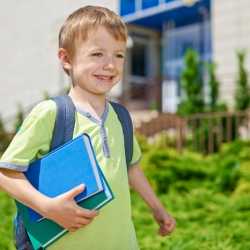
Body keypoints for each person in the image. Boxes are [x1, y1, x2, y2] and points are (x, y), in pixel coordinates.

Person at [0, 5, 175, 250]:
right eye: (97, 54)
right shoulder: (51, 113)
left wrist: (158, 208)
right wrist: (48, 208)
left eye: (119, 55)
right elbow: (6, 173)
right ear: (66, 59)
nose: (111, 65)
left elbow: (131, 167)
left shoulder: (121, 116)